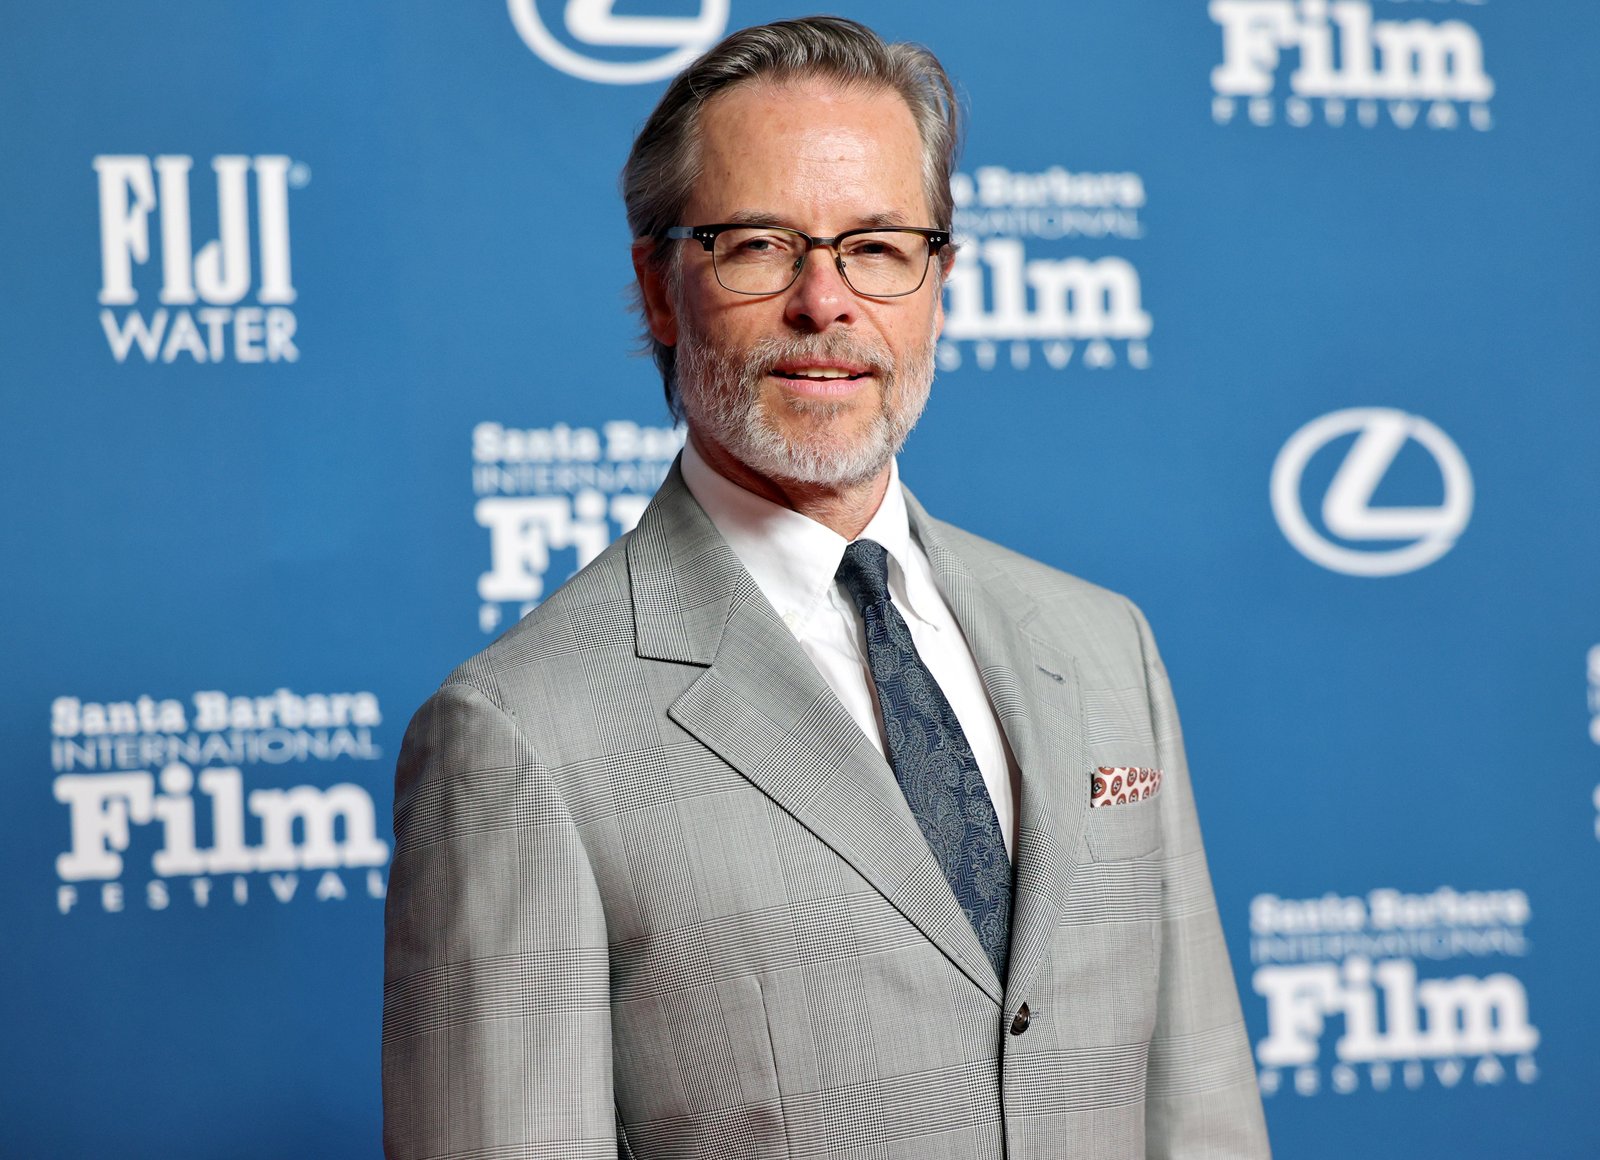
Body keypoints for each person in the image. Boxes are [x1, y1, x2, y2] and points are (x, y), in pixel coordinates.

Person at [383, 16, 1270, 1159]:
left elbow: (1199, 1114)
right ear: (660, 289)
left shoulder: (1105, 648)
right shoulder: (518, 735)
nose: (826, 301)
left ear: (938, 279)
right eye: (758, 244)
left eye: (878, 244)